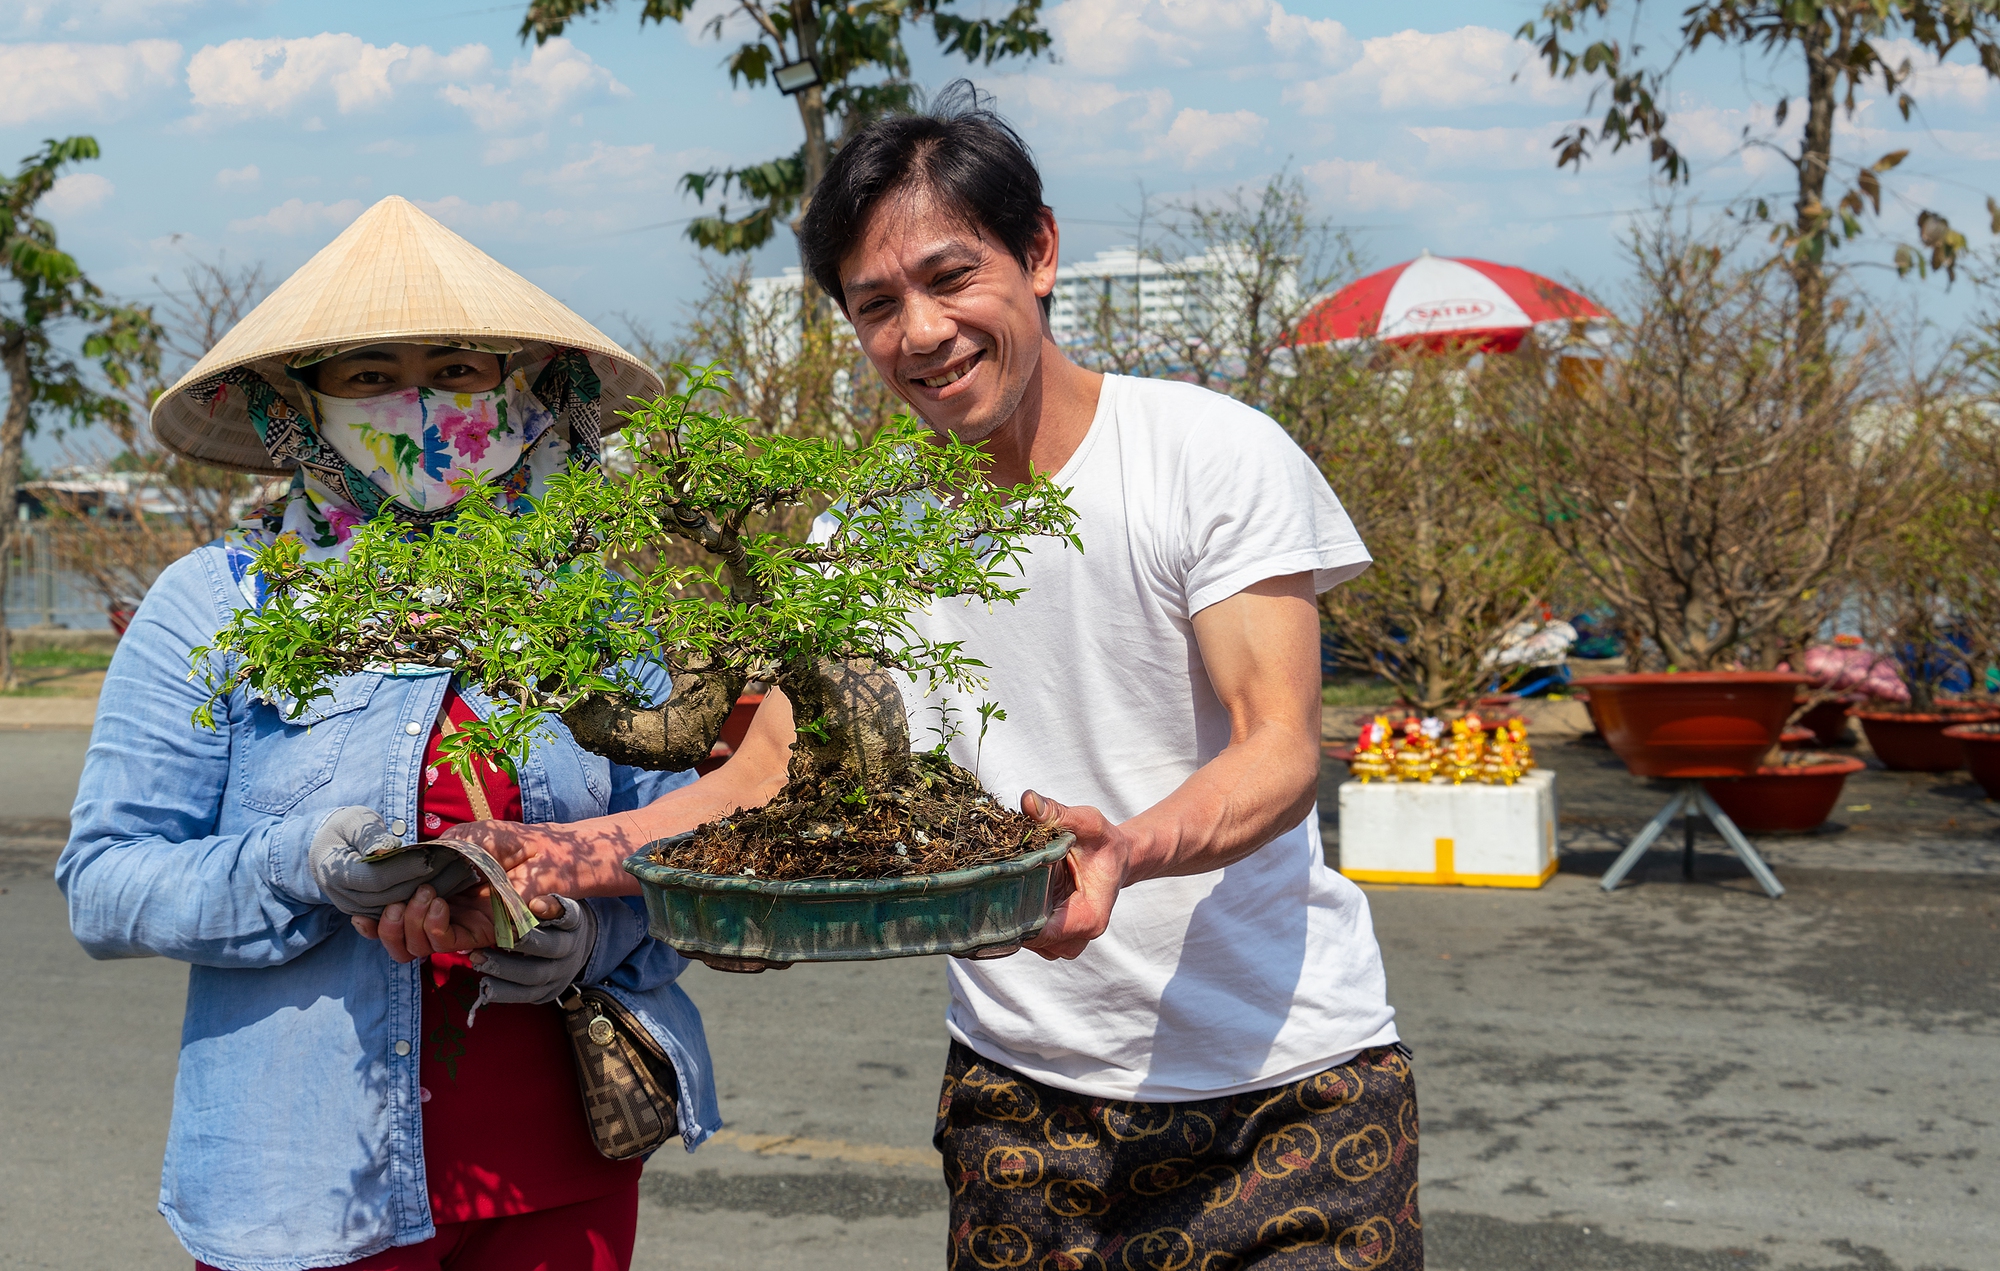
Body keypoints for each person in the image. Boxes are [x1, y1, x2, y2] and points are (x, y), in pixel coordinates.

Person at [453, 87, 1418, 1269]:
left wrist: (1127, 846)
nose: (919, 331)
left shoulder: (1206, 455)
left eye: (951, 277)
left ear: (1040, 252)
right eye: (875, 304)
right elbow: (757, 778)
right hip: (1020, 1101)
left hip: (1287, 1091)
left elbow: (1278, 749)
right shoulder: (868, 535)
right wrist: (560, 857)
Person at [57, 196, 719, 1271]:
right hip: (304, 1183)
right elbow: (103, 881)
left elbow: (689, 852)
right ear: (298, 406)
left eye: (458, 369)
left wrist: (594, 940)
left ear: (521, 393)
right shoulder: (217, 606)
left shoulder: (598, 610)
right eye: (369, 376)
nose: (417, 402)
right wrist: (297, 862)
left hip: (563, 1169)